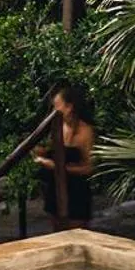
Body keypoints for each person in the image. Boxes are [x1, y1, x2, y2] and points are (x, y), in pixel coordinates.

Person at [33, 82, 96, 229]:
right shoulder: (56, 127)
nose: (55, 110)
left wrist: (58, 167)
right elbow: (48, 149)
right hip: (55, 189)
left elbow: (89, 168)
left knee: (76, 235)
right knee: (57, 232)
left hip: (77, 191)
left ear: (69, 107)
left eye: (57, 105)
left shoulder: (85, 131)